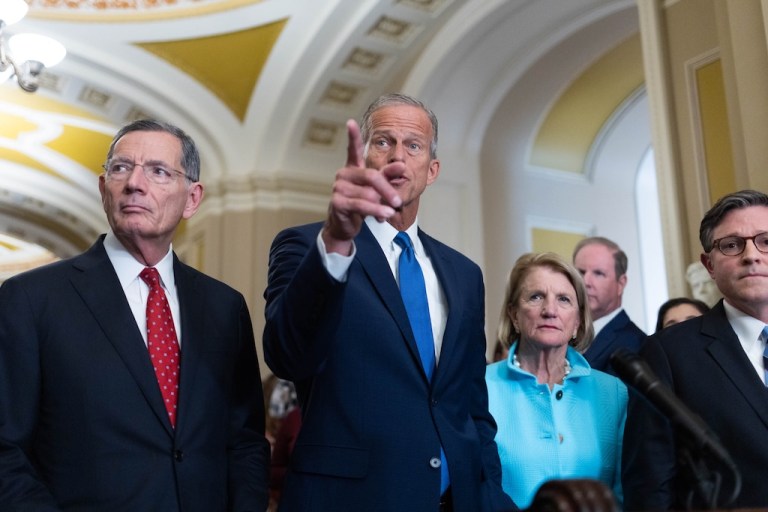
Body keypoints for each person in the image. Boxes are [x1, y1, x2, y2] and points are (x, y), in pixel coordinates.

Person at [0, 119, 270, 511]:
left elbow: (244, 441)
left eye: (159, 171)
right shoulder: (31, 299)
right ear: (103, 188)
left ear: (192, 199)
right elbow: (6, 448)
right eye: (121, 168)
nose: (134, 184)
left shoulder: (224, 307)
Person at [263, 93, 514, 511]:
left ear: (431, 170)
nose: (397, 156)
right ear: (362, 159)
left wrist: (486, 493)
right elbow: (288, 356)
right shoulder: (309, 245)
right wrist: (336, 241)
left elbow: (472, 406)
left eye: (413, 145)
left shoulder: (464, 274)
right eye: (383, 141)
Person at [623, 189, 768, 509]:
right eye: (732, 245)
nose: (752, 255)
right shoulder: (669, 353)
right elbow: (650, 484)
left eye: (766, 241)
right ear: (709, 265)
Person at [486, 252, 626, 508]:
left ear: (577, 321)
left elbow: (623, 491)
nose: (550, 310)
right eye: (536, 297)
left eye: (563, 300)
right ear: (514, 315)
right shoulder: (481, 387)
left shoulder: (613, 393)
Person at [572, 236, 645, 374]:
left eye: (598, 273)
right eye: (580, 272)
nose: (585, 281)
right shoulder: (561, 333)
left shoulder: (638, 344)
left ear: (621, 284)